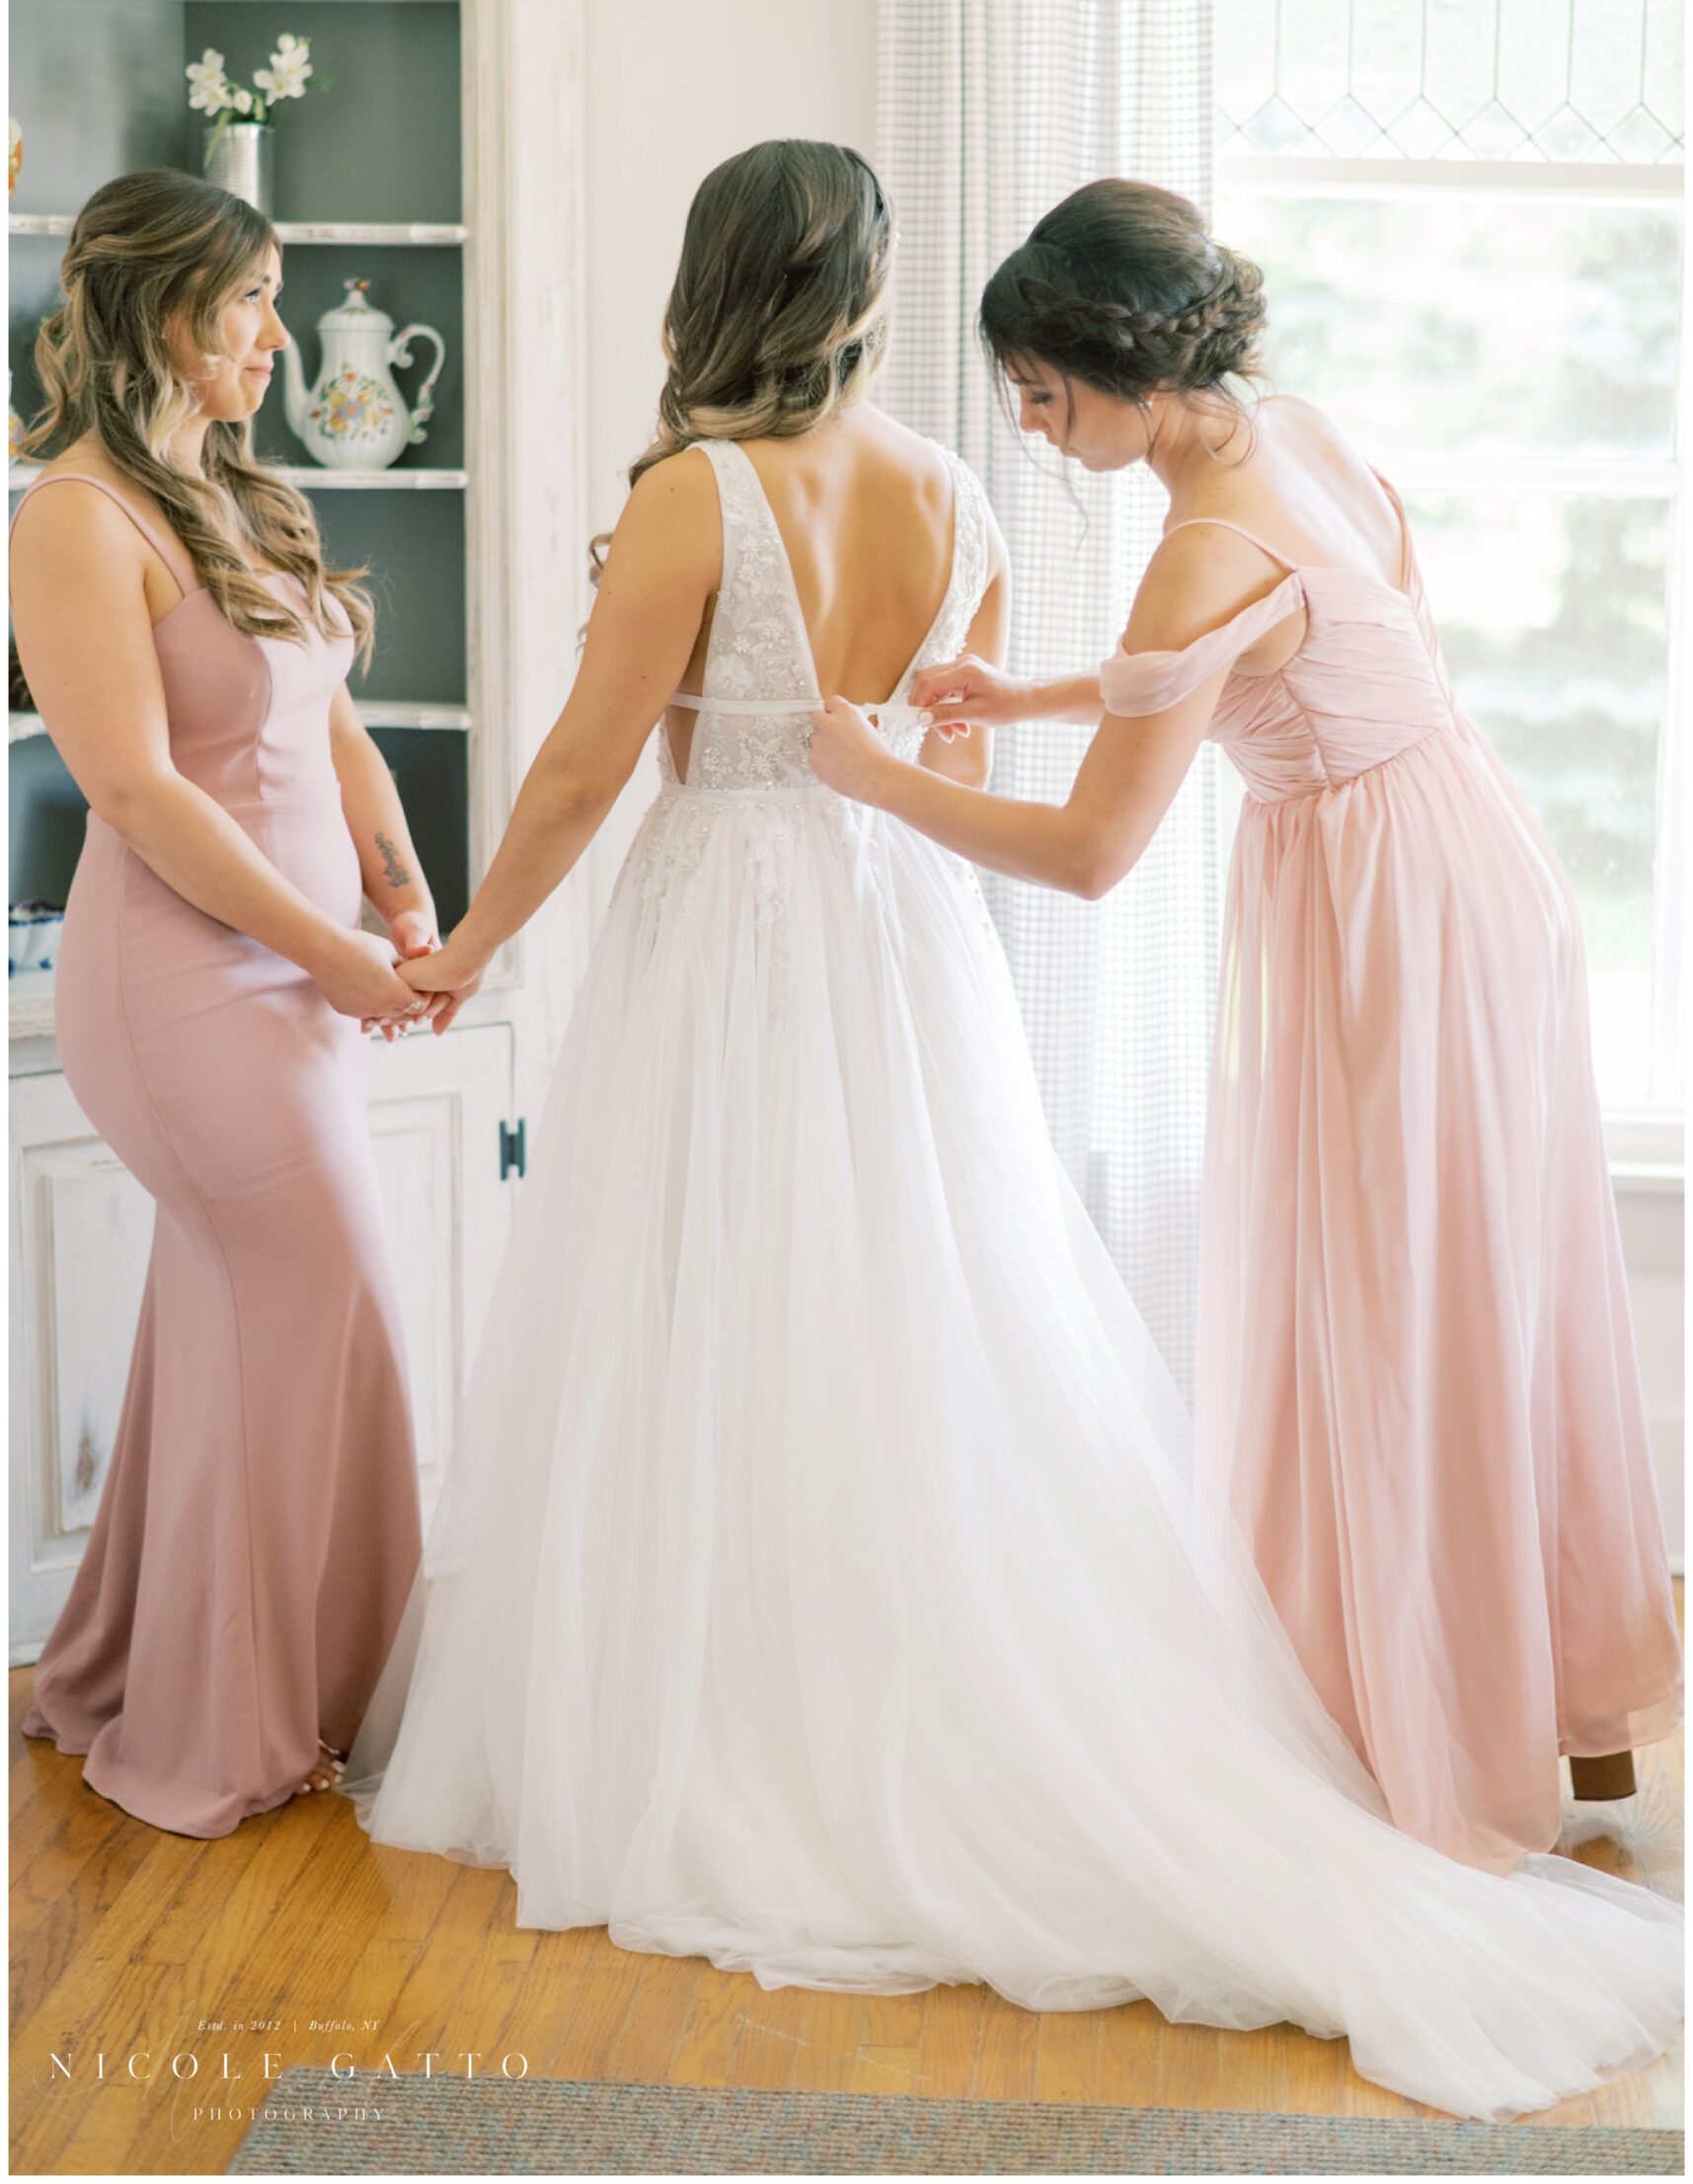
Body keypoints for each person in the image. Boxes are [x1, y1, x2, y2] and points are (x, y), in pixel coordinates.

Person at [345, 142, 1679, 2122]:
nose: (1033, 415)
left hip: (738, 926)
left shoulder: (694, 495)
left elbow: (581, 769)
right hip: (905, 933)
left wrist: (466, 945)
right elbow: (1010, 723)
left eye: (1052, 383)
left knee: (720, 1302)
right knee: (915, 1313)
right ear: (866, 300)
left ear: (711, 285)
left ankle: (735, 1697)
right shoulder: (954, 492)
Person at [810, 176, 1683, 1872]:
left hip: (1386, 920)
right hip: (1472, 865)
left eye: (1044, 396)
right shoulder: (1297, 437)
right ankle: (1571, 1717)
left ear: (1127, 370)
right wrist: (1032, 693)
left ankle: (1425, 1733)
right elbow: (1287, 644)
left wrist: (880, 777)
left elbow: (1089, 855)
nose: (1034, 431)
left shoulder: (1197, 551)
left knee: (1397, 1306)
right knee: (1493, 1285)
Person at [11, 170, 435, 1837]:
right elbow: (139, 792)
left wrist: (405, 901)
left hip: (303, 974)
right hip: (181, 986)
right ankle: (255, 1716)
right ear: (156, 313)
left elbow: (335, 730)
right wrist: (333, 953)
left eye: (274, 295)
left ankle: (146, 1667)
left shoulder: (246, 497)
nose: (275, 333)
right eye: (249, 299)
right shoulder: (73, 516)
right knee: (330, 1305)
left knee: (229, 1319)